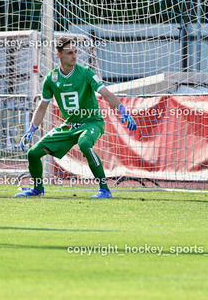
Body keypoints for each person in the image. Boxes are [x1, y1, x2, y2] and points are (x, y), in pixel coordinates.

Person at [17, 36, 137, 199]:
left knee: (84, 143)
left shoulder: (86, 73)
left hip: (92, 122)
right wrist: (31, 129)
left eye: (75, 52)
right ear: (59, 55)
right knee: (33, 153)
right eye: (69, 53)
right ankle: (37, 189)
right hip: (70, 125)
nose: (74, 56)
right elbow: (42, 106)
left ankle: (104, 189)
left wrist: (123, 111)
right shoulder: (51, 79)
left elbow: (107, 93)